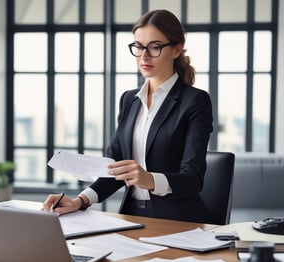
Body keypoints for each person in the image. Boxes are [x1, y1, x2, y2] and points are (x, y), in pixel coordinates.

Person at [43, 9, 213, 223]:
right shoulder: (129, 100)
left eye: (155, 47)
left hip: (177, 221)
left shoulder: (195, 101)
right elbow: (114, 168)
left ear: (176, 49)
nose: (144, 56)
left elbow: (193, 179)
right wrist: (80, 201)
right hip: (131, 216)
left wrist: (149, 179)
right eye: (139, 47)